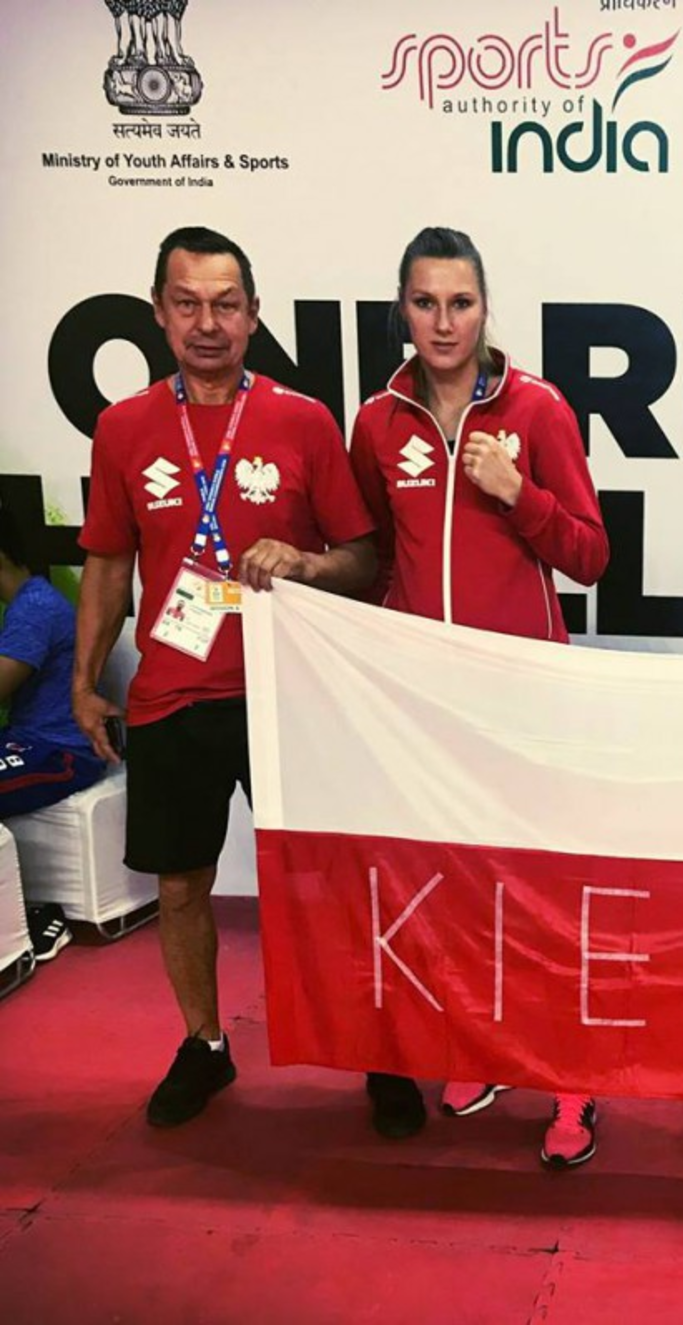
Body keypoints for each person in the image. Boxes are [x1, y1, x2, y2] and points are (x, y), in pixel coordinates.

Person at [74, 226, 376, 1128]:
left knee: (330, 883)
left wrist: (305, 561)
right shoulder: (123, 428)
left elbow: (365, 558)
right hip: (172, 693)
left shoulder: (303, 420)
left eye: (226, 304)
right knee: (179, 885)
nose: (208, 323)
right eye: (188, 303)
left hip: (290, 692)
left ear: (253, 314)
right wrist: (84, 680)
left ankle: (377, 1051)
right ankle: (205, 1044)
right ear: (160, 313)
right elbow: (106, 563)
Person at [349, 226, 610, 1168]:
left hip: (526, 696)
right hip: (428, 704)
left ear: (486, 307)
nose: (444, 322)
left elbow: (590, 554)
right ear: (402, 308)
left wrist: (517, 493)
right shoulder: (377, 422)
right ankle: (482, 1049)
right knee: (456, 889)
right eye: (425, 302)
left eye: (461, 302)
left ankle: (572, 1080)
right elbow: (380, 559)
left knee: (542, 893)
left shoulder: (538, 408)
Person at [0, 508, 108, 960]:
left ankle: (34, 915)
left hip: (62, 752)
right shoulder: (24, 606)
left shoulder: (35, 609)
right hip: (25, 741)